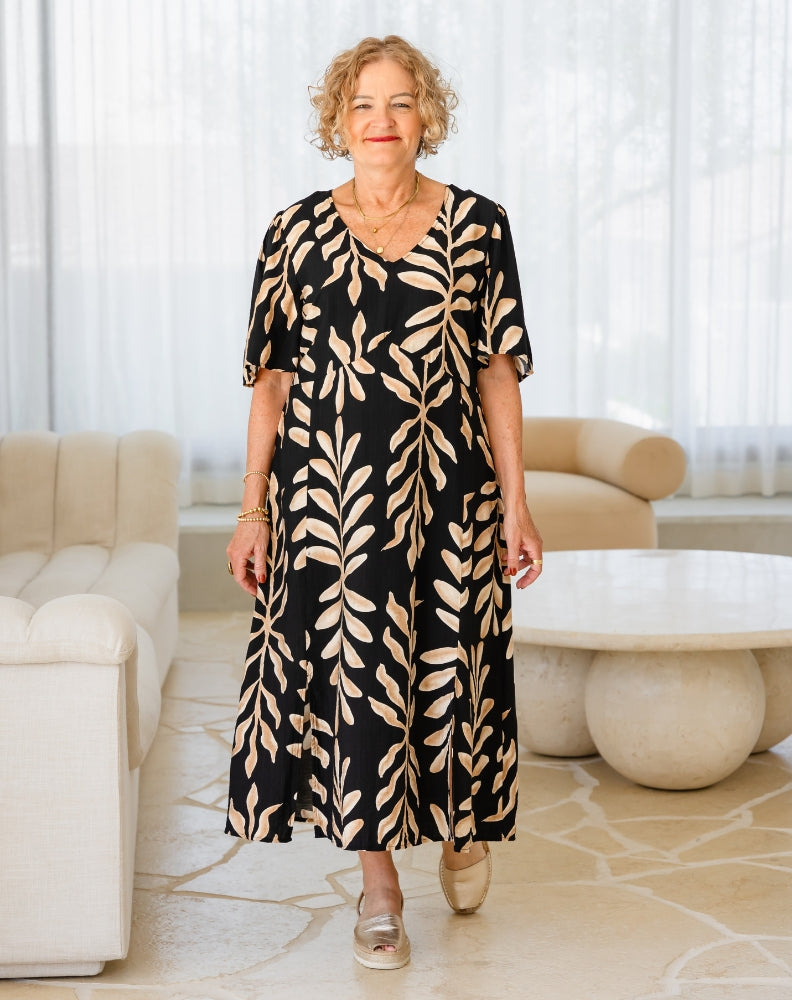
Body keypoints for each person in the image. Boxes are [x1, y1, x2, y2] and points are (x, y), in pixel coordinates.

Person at [225, 34, 543, 970]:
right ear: (337, 120)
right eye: (362, 104)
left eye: (401, 101)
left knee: (451, 672)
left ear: (426, 117)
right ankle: (380, 888)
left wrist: (517, 504)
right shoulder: (294, 233)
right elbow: (271, 382)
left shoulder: (478, 226)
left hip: (449, 498)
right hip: (332, 505)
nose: (381, 120)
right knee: (355, 686)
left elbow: (496, 371)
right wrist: (253, 509)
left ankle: (460, 826)